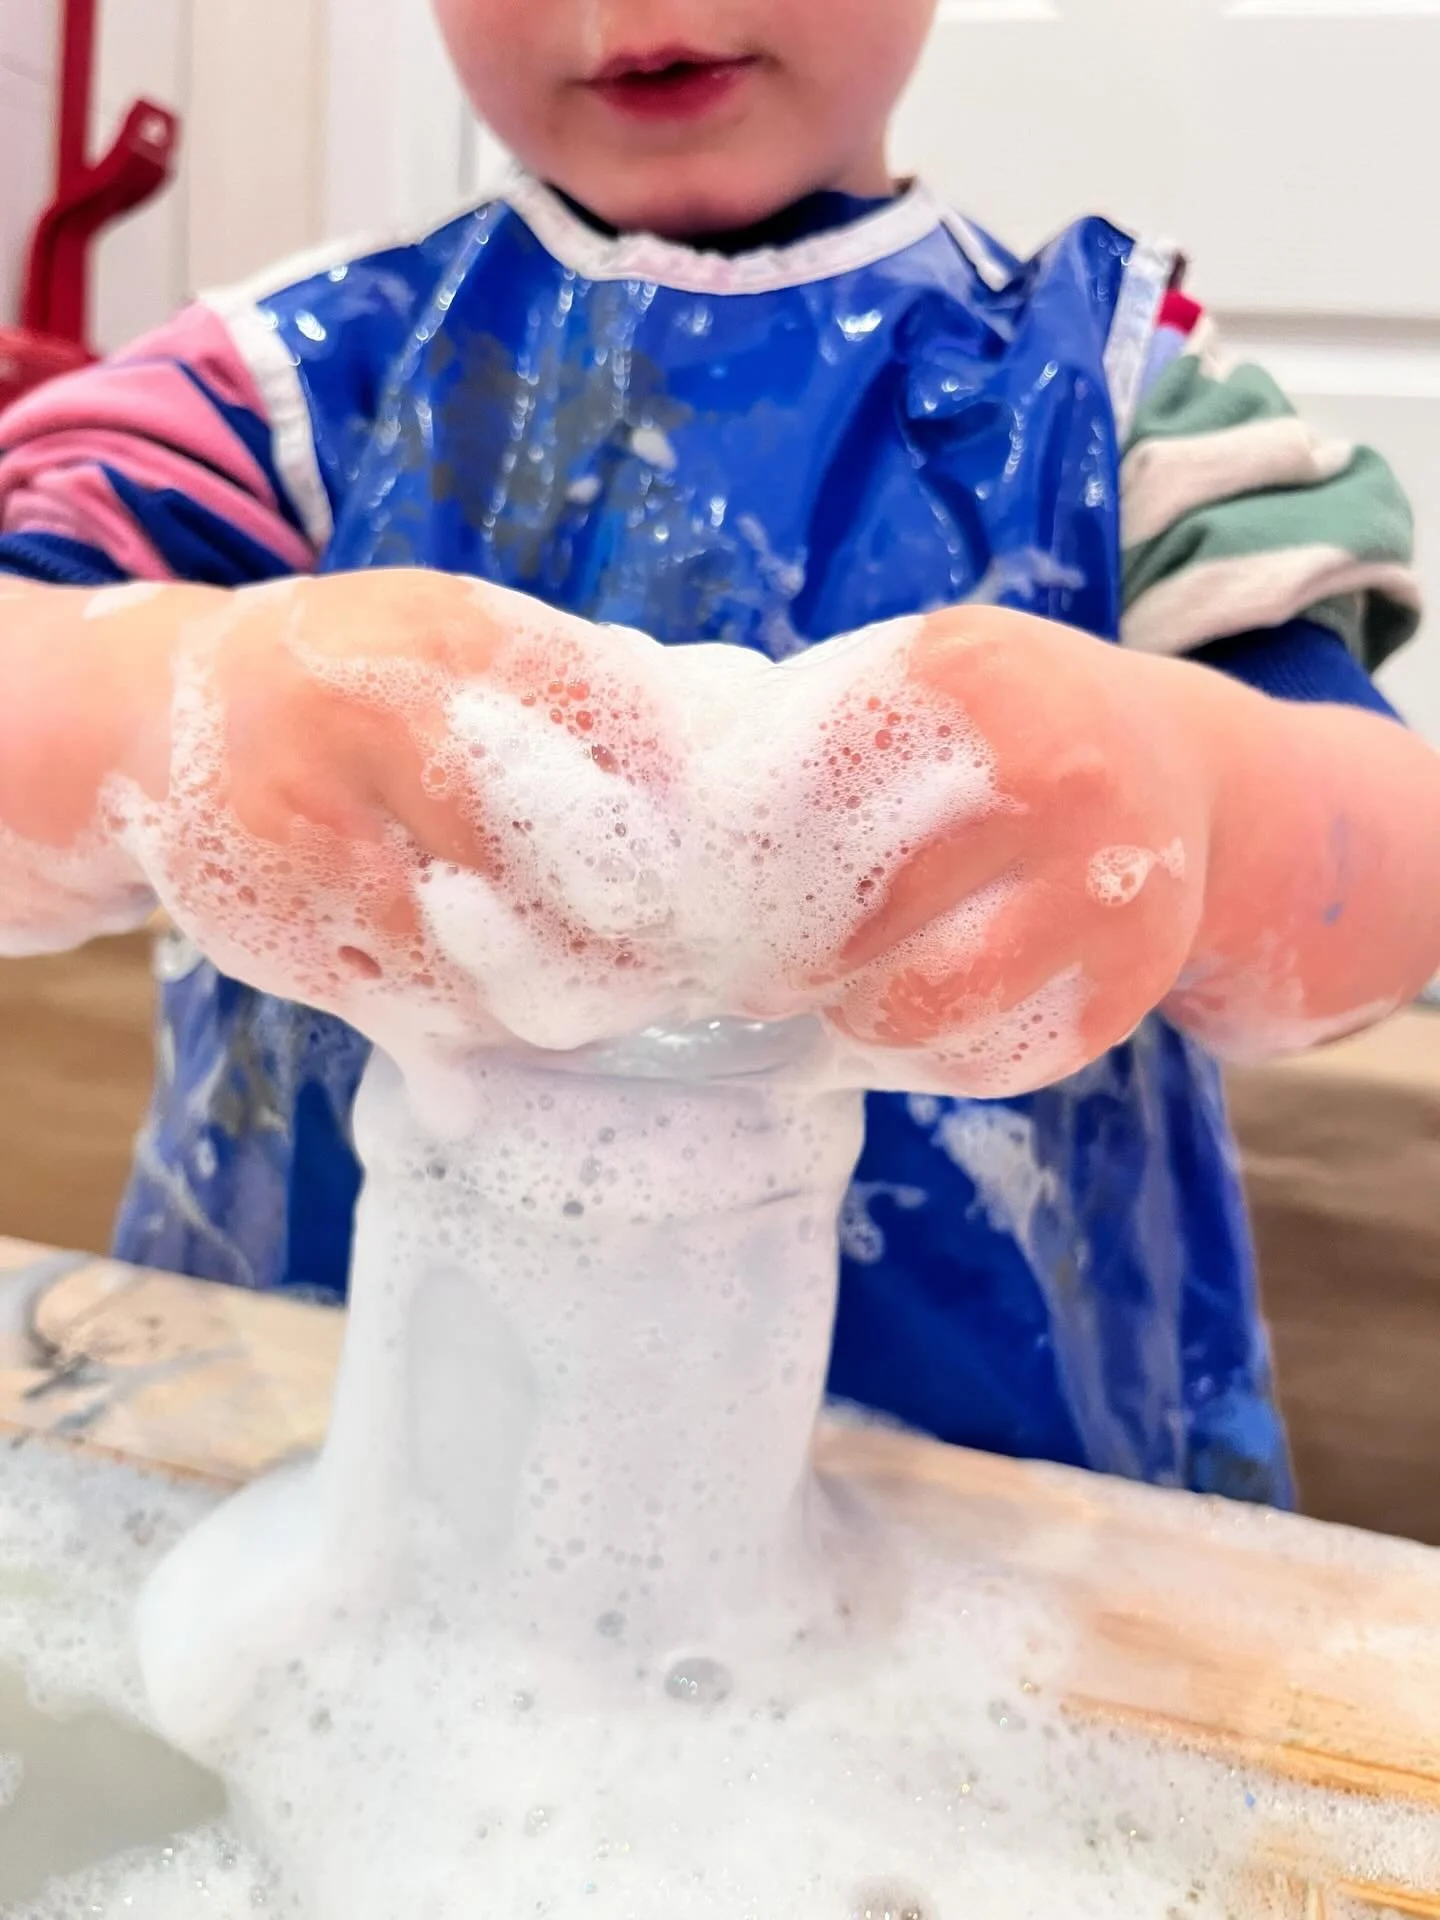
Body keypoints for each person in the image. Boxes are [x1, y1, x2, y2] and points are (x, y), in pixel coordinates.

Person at [1, 0, 1437, 1508]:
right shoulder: (284, 394)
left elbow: (1388, 886)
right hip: (324, 1473)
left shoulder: (1125, 405)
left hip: (1002, 1518)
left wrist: (1200, 800)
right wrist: (164, 712)